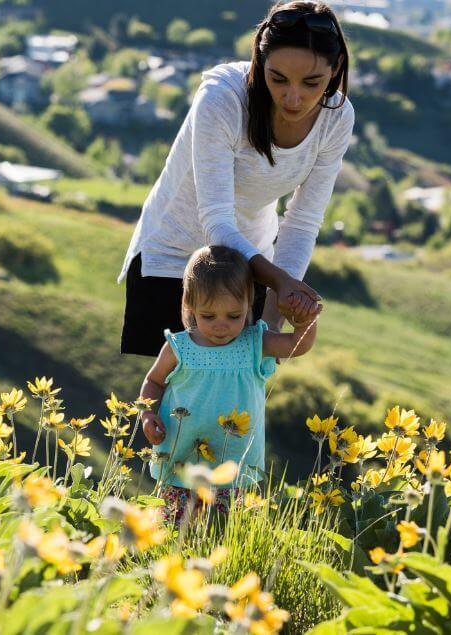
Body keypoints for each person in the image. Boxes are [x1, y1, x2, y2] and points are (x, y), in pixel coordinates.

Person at [119, 0, 352, 357]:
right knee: (165, 402)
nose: (293, 97)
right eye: (278, 79)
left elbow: (302, 222)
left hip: (249, 269)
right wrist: (280, 282)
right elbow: (216, 220)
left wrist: (274, 314)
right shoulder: (223, 98)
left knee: (232, 400)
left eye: (311, 82)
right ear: (260, 63)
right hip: (173, 258)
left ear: (335, 68)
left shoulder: (336, 118)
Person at [138, 245, 319, 526]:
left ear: (249, 305)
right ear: (190, 306)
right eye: (208, 316)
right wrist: (147, 414)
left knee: (222, 532)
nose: (221, 326)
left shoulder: (254, 343)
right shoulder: (178, 347)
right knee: (173, 530)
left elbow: (296, 345)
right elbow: (153, 381)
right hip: (180, 459)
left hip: (232, 467)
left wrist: (305, 321)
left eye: (234, 316)